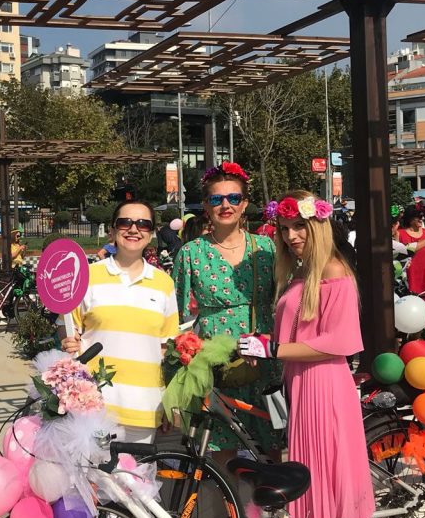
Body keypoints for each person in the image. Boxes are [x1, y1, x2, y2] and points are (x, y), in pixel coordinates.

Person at [238, 190, 393, 518]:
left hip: (325, 390)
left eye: (299, 227)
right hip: (303, 389)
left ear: (318, 225)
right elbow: (297, 335)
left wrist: (273, 349)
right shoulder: (304, 272)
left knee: (332, 500)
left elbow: (339, 342)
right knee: (319, 496)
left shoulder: (334, 271)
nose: (291, 236)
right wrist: (264, 344)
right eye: (284, 229)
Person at [172, 161, 279, 459]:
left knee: (271, 447)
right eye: (217, 199)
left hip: (262, 356)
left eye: (233, 197)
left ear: (244, 204)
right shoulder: (191, 252)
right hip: (215, 361)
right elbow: (174, 312)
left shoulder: (267, 248)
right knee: (221, 449)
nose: (225, 205)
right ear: (206, 205)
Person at [62, 200, 178, 441]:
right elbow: (70, 332)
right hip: (93, 406)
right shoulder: (87, 276)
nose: (134, 229)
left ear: (152, 233)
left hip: (145, 407)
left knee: (138, 468)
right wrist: (67, 342)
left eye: (143, 224)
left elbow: (167, 349)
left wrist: (170, 401)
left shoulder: (164, 283)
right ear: (112, 230)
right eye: (125, 222)